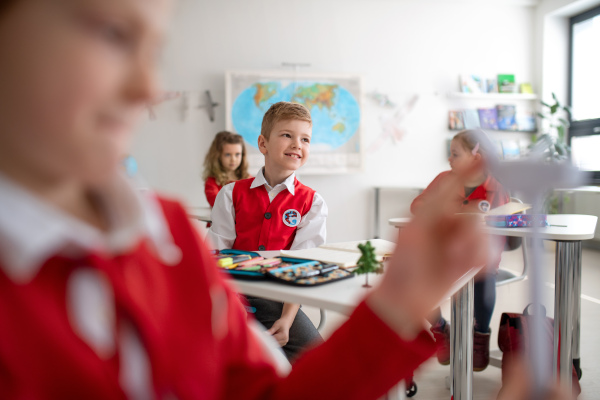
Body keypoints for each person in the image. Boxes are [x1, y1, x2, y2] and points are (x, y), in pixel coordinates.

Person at [0, 0, 510, 398]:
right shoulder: (217, 204)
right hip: (245, 296)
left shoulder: (167, 233)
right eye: (111, 34)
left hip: (278, 301)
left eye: (154, 52)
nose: (149, 87)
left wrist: (397, 307)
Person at [207, 101, 327, 361]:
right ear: (263, 144)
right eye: (287, 135)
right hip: (232, 294)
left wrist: (286, 318)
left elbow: (302, 266)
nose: (297, 144)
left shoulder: (313, 203)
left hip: (281, 299)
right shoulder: (230, 194)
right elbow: (214, 256)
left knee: (317, 358)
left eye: (305, 139)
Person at [410, 129, 510, 371]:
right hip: (443, 256)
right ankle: (440, 328)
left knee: (484, 279)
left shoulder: (496, 187)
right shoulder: (445, 180)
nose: (449, 159)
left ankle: (480, 335)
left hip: (479, 258)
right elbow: (418, 205)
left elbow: (504, 229)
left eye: (455, 154)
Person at [202, 131, 250, 208]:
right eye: (228, 154)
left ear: (243, 155)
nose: (233, 159)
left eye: (237, 154)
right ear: (218, 156)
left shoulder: (248, 179)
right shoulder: (212, 182)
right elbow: (218, 204)